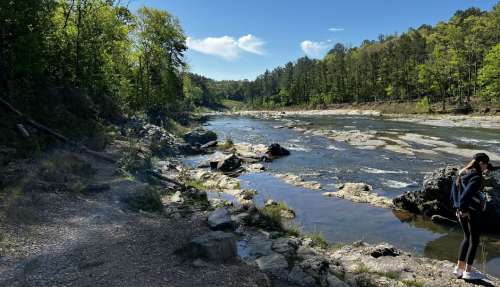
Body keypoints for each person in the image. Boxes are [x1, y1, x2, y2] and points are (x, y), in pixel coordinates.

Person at [451, 152, 490, 280]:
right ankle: (468, 272)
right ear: (480, 163)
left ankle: (459, 268)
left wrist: (458, 209)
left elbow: (454, 193)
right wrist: (464, 210)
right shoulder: (475, 176)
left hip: (462, 210)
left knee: (467, 238)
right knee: (474, 241)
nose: (487, 167)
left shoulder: (461, 172)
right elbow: (466, 196)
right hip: (471, 211)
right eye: (486, 165)